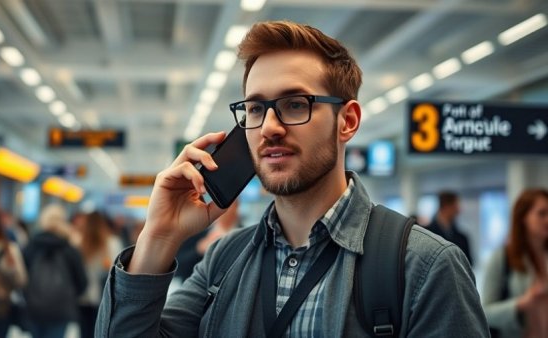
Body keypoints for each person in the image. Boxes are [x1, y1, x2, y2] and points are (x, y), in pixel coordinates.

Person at [96, 21, 489, 337]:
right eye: (254, 109)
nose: (268, 127)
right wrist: (159, 238)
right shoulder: (224, 262)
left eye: (295, 104)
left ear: (347, 121)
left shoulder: (423, 267)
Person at [482, 188, 548, 337]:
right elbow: (484, 313)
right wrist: (521, 303)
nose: (547, 219)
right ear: (523, 217)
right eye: (542, 213)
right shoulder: (502, 257)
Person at [23, 204, 87, 338]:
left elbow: (22, 277)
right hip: (60, 309)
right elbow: (82, 282)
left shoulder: (31, 246)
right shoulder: (70, 249)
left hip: (34, 308)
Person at [75, 211, 122, 338]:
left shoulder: (78, 243)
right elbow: (118, 270)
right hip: (104, 296)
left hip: (82, 295)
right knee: (101, 331)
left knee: (84, 331)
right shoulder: (112, 243)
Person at [176, 200, 241, 281]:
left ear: (237, 208)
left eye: (230, 206)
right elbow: (178, 268)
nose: (226, 210)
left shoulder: (248, 236)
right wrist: (199, 249)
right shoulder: (196, 232)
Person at [426, 191, 473, 264]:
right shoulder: (427, 234)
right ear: (446, 206)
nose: (459, 211)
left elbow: (469, 265)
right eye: (456, 206)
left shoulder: (462, 238)